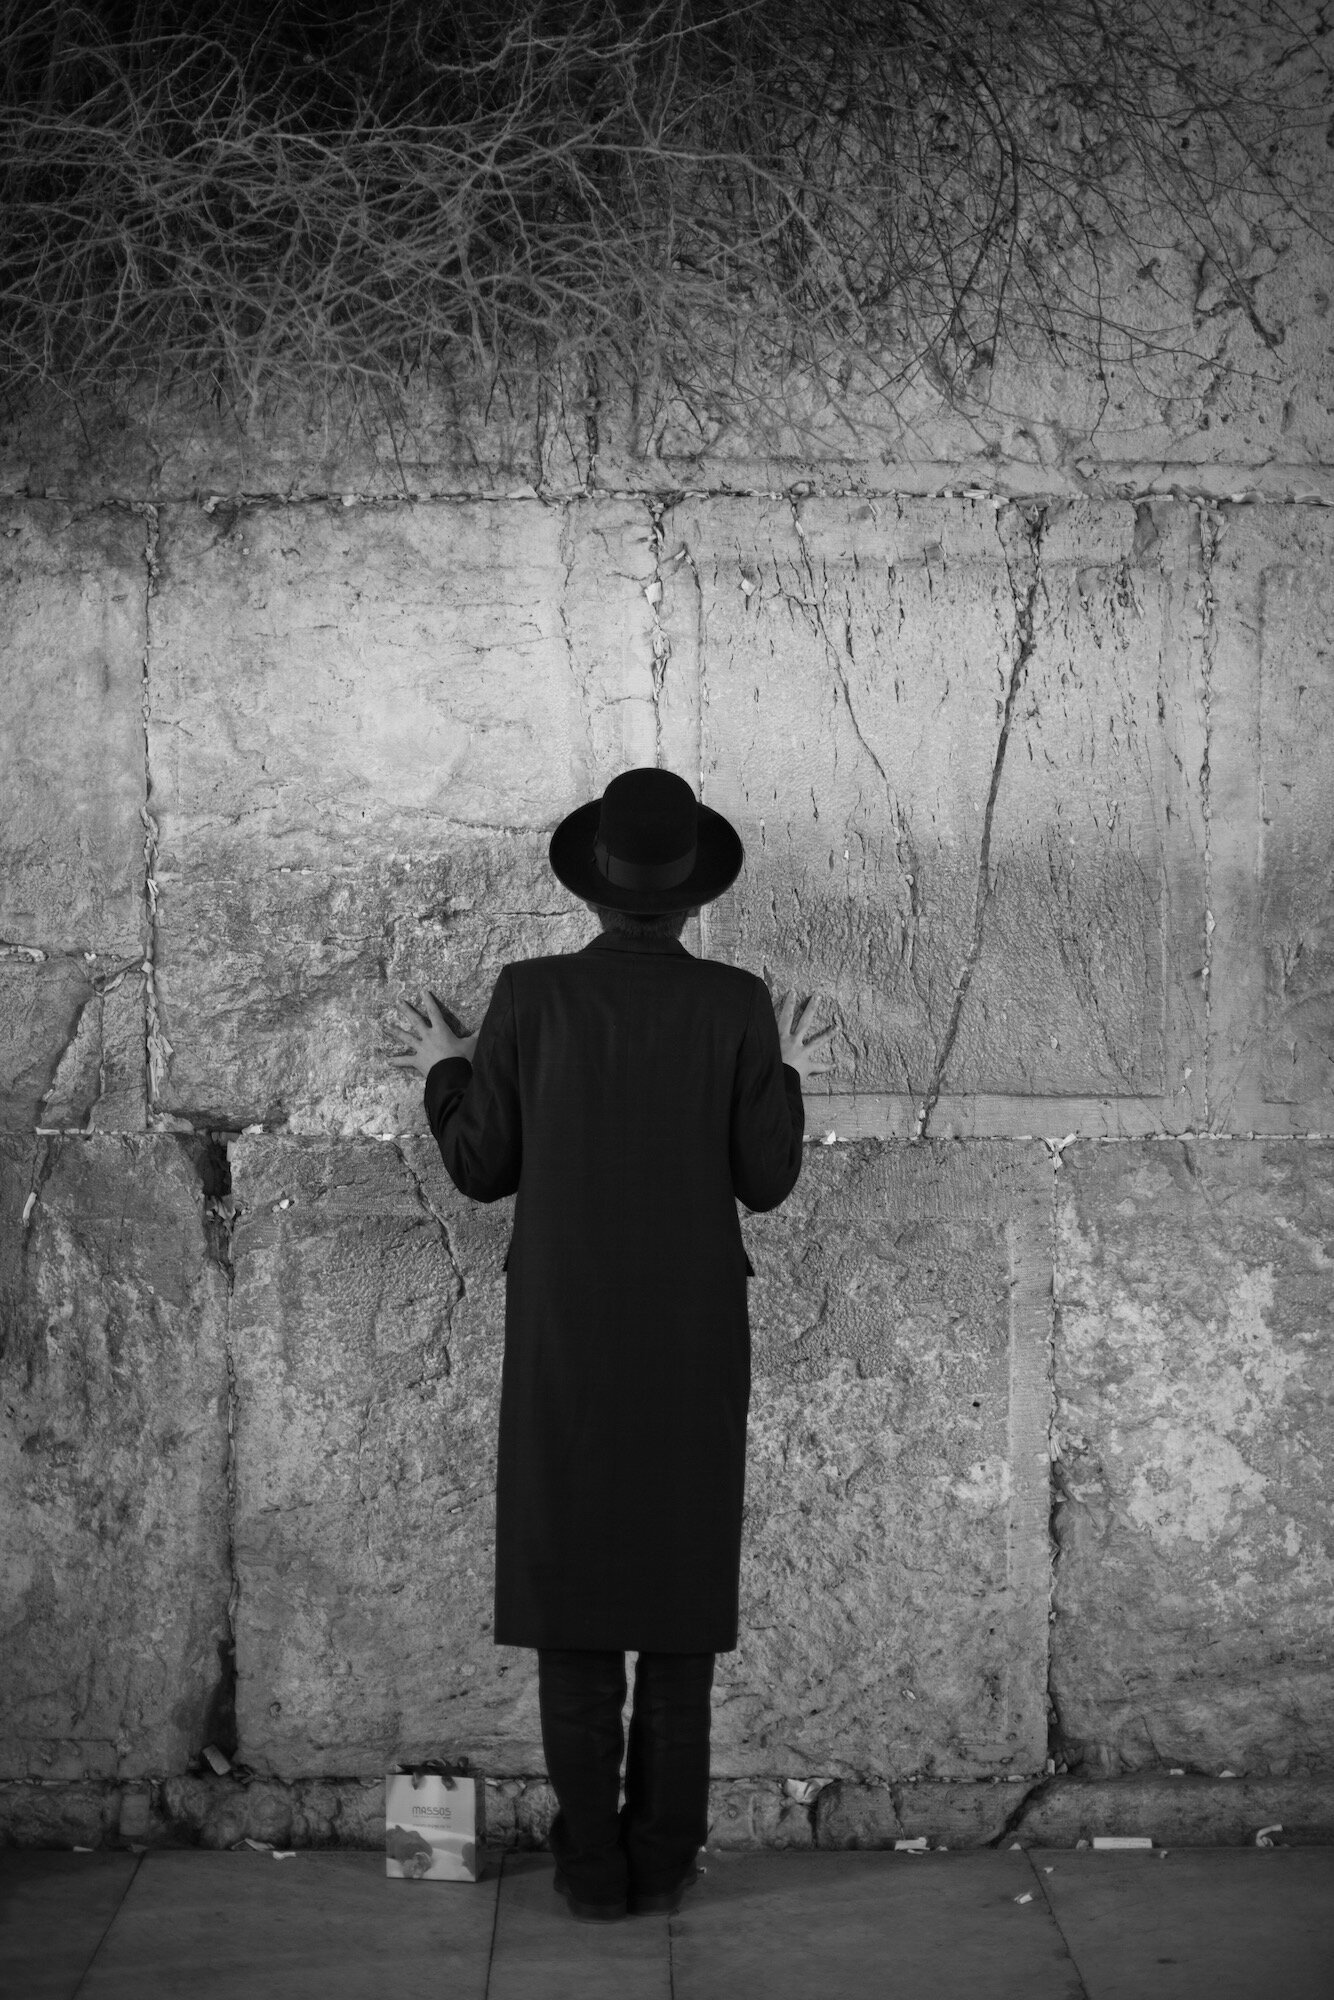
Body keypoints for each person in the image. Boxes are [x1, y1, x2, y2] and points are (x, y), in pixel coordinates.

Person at [387, 766, 835, 1923]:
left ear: (596, 887)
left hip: (565, 1337)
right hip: (690, 1335)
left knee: (574, 1605)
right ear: (692, 895)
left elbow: (482, 1168)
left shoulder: (527, 996)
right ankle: (664, 1856)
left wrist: (447, 1061)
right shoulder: (737, 1001)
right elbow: (765, 1180)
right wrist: (780, 1071)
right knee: (677, 1611)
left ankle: (593, 1870)